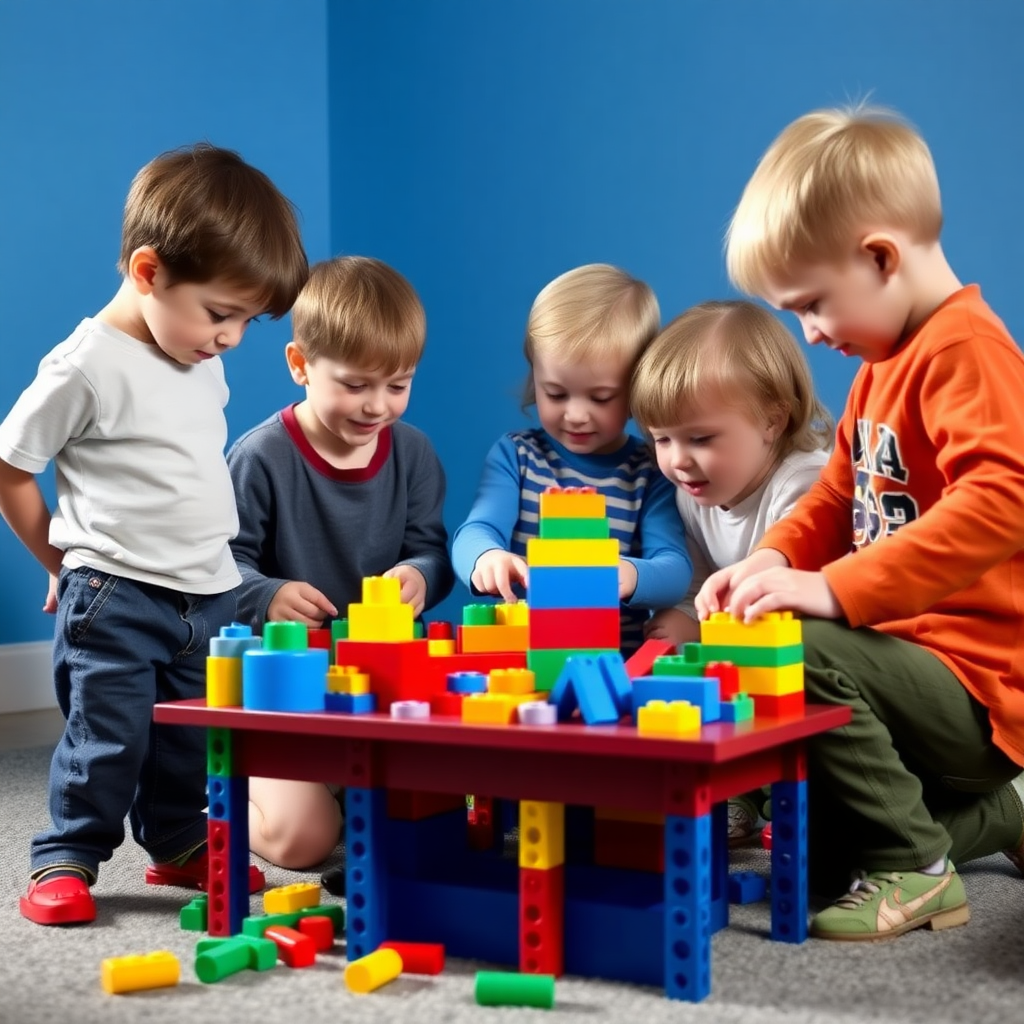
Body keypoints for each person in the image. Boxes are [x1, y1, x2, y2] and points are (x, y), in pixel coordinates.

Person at [698, 105, 1024, 940]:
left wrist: (834, 590)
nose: (808, 334)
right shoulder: (882, 365)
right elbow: (837, 498)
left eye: (812, 305)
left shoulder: (966, 352)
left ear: (880, 256)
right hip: (908, 674)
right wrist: (768, 559)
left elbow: (1003, 501)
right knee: (817, 858)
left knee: (800, 643)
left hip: (978, 685)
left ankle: (920, 873)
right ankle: (1004, 815)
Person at [0, 143, 308, 926]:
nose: (233, 336)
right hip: (117, 593)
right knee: (109, 736)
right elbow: (10, 468)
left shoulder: (197, 355)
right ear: (148, 271)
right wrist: (63, 561)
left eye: (245, 319)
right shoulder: (83, 368)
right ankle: (66, 854)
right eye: (220, 312)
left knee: (187, 738)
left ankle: (176, 842)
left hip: (206, 592)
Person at [228, 255, 454, 873]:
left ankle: (329, 781)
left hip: (378, 690)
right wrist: (267, 594)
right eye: (355, 384)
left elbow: (432, 550)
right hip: (281, 693)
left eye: (398, 384)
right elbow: (221, 567)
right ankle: (214, 794)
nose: (377, 405)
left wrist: (420, 575)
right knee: (306, 842)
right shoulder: (260, 457)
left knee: (427, 817)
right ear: (300, 365)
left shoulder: (413, 454)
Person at [631, 299, 831, 843]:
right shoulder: (693, 492)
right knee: (689, 668)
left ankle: (775, 787)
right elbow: (698, 581)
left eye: (700, 438)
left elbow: (798, 586)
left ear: (772, 420)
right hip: (746, 647)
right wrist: (681, 618)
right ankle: (734, 787)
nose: (677, 460)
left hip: (814, 652)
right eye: (661, 438)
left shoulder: (804, 482)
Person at [452, 263, 691, 654]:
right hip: (521, 663)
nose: (576, 414)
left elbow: (675, 568)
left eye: (601, 397)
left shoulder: (648, 471)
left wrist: (628, 574)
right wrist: (487, 556)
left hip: (612, 663)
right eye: (557, 393)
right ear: (535, 379)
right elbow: (476, 530)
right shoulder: (517, 457)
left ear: (637, 389)